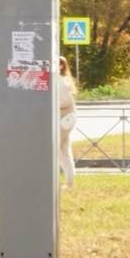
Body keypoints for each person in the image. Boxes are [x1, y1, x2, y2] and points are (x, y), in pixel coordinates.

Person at [57, 55, 78, 186]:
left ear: (61, 66)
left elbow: (66, 101)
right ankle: (69, 182)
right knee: (64, 151)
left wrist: (52, 104)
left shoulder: (61, 81)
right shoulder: (62, 80)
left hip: (63, 119)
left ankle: (53, 181)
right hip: (66, 119)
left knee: (54, 149)